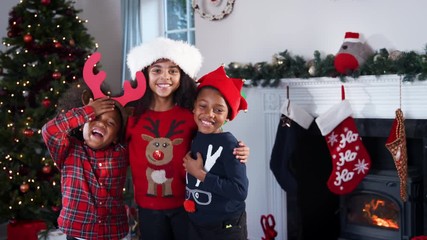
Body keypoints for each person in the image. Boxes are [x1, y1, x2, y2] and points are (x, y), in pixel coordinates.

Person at [125, 37, 250, 240]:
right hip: (148, 208)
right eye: (157, 70)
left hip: (187, 206)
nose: (165, 76)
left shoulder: (189, 114)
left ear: (182, 76)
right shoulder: (132, 115)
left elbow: (214, 137)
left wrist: (241, 150)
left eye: (173, 70)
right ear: (145, 73)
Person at [41, 81, 131, 240]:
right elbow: (50, 130)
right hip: (77, 233)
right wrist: (88, 111)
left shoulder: (121, 153)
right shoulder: (68, 151)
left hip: (113, 232)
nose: (101, 123)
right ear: (82, 125)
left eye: (110, 123)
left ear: (116, 137)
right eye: (95, 117)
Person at [182, 65, 249, 240]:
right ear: (194, 108)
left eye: (218, 110)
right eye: (202, 106)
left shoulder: (229, 144)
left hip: (225, 227)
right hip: (197, 224)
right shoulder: (194, 136)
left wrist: (200, 174)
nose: (208, 114)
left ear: (227, 116)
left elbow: (240, 191)